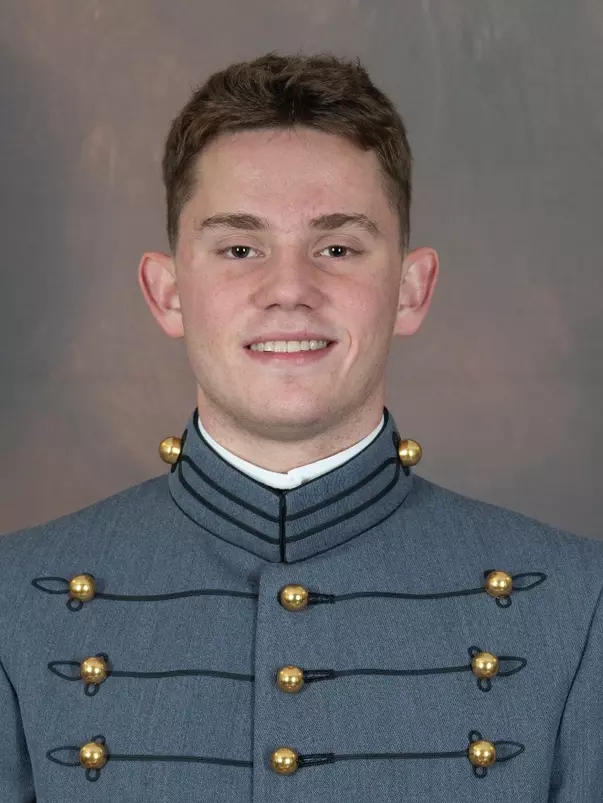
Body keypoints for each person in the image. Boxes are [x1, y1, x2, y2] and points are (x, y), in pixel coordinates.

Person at [0, 51, 601, 803]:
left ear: (411, 289)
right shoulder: (14, 600)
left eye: (338, 248)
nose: (288, 289)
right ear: (167, 291)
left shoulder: (577, 603)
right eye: (239, 249)